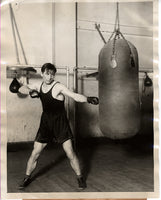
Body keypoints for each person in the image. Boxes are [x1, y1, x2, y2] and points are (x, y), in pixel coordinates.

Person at [18, 63, 99, 190]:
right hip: (45, 123)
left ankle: (80, 178)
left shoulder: (58, 87)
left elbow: (74, 96)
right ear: (42, 74)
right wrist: (30, 91)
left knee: (70, 152)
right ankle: (26, 177)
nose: (50, 77)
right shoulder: (38, 85)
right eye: (47, 73)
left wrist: (87, 99)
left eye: (52, 74)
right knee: (35, 153)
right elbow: (21, 88)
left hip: (60, 123)